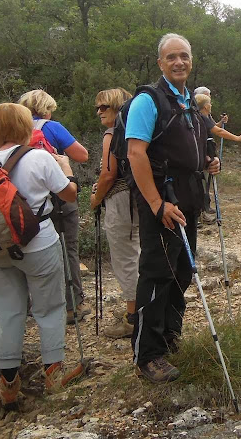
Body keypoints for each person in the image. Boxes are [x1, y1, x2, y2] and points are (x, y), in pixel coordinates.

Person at [125, 33, 220, 383]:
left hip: (188, 201)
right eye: (171, 57)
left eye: (184, 56)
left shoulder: (187, 102)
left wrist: (208, 161)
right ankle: (147, 356)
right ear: (160, 63)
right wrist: (155, 203)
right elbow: (136, 153)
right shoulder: (148, 101)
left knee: (181, 273)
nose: (179, 62)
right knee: (157, 275)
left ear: (191, 60)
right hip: (162, 203)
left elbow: (187, 150)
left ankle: (168, 338)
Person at [0, 103, 84, 409]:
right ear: (25, 127)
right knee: (50, 308)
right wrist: (66, 169)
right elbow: (69, 194)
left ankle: (9, 383)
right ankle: (53, 374)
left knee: (9, 313)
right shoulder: (38, 156)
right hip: (38, 242)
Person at [17, 90, 91, 325]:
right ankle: (73, 305)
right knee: (68, 248)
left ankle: (36, 305)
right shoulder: (52, 127)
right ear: (47, 108)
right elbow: (82, 155)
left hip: (26, 202)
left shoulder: (16, 130)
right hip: (59, 196)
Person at [89, 88, 140, 339]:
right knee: (137, 255)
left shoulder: (112, 134)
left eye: (104, 107)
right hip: (138, 199)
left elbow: (109, 174)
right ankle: (142, 310)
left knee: (125, 259)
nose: (99, 112)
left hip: (120, 202)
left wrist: (96, 198)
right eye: (98, 107)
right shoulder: (137, 132)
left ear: (118, 108)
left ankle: (132, 319)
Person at [194, 93, 241, 224]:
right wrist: (238, 138)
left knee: (203, 185)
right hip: (203, 156)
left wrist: (221, 122)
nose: (211, 105)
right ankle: (199, 215)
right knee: (202, 185)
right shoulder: (202, 116)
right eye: (210, 104)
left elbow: (214, 127)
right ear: (206, 106)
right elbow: (218, 131)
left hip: (198, 155)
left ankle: (201, 214)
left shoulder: (197, 116)